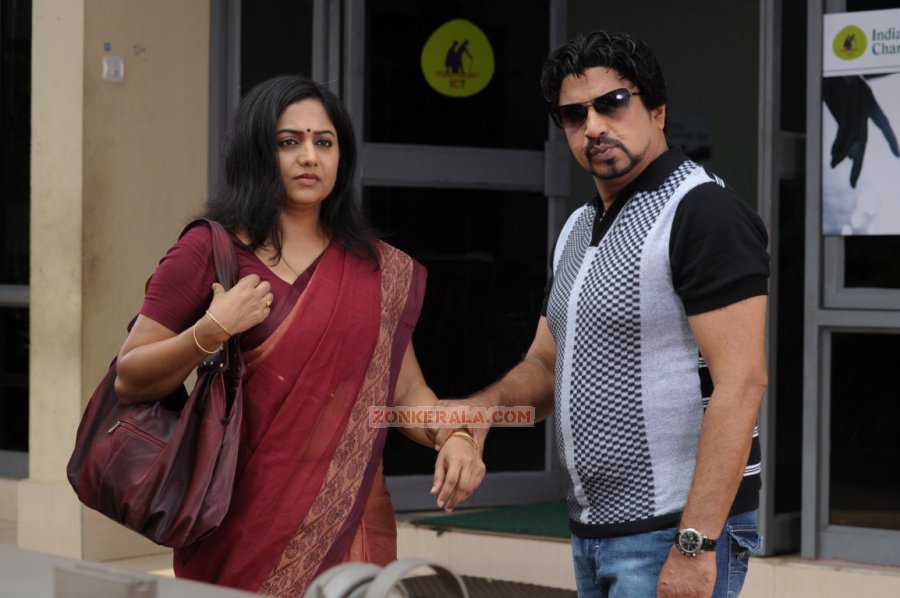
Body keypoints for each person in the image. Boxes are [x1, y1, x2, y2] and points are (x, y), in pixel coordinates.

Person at [113, 74, 485, 596]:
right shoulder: (210, 253)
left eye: (324, 142)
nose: (309, 157)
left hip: (351, 523)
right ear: (256, 153)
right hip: (238, 523)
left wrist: (455, 435)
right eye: (289, 142)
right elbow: (130, 377)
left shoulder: (379, 271)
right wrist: (212, 330)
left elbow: (405, 395)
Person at [431, 30, 770, 597]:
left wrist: (695, 544)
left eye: (612, 103)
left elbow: (743, 383)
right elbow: (546, 365)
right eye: (574, 114)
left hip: (673, 534)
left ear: (657, 111)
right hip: (594, 534)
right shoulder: (577, 228)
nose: (593, 126)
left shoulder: (701, 211)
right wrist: (483, 410)